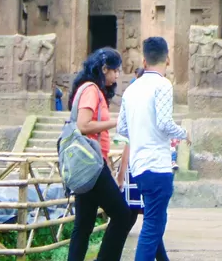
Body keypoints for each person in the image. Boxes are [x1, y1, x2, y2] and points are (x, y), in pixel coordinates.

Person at [117, 36, 189, 261]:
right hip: (157, 165)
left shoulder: (131, 89)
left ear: (144, 59)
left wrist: (141, 134)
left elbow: (121, 127)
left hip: (138, 166)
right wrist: (185, 133)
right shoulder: (163, 84)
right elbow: (165, 123)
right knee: (153, 226)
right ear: (167, 59)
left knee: (154, 221)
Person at [66, 48, 134, 261]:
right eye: (115, 71)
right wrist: (116, 122)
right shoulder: (91, 90)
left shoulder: (91, 89)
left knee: (83, 225)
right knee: (123, 216)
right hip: (92, 165)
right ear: (104, 69)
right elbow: (83, 125)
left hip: (91, 163)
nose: (116, 76)